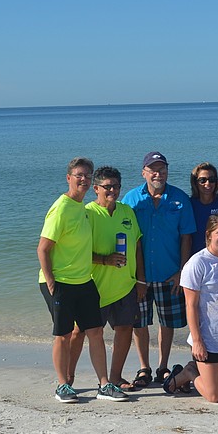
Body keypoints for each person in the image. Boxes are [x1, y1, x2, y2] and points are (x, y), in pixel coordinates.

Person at [36, 157, 127, 403]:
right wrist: (52, 282)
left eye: (87, 175)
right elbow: (43, 249)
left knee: (95, 331)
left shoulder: (82, 208)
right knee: (64, 335)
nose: (84, 179)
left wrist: (106, 260)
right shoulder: (62, 207)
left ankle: (104, 385)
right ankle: (63, 385)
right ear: (69, 178)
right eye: (79, 175)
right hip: (60, 282)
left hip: (83, 280)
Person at [121, 151, 196, 386]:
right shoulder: (131, 200)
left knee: (167, 323)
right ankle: (144, 368)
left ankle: (163, 366)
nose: (158, 173)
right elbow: (123, 237)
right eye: (152, 169)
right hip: (138, 276)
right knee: (139, 323)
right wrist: (130, 275)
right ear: (143, 172)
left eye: (162, 169)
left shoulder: (180, 199)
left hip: (169, 273)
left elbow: (186, 237)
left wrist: (182, 271)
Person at [78, 166, 145, 392]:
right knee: (80, 332)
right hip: (94, 287)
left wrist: (141, 280)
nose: (112, 191)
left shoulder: (127, 212)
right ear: (95, 188)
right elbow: (77, 250)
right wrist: (105, 260)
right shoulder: (87, 213)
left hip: (126, 285)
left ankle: (115, 378)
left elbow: (137, 245)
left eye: (116, 186)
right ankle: (67, 378)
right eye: (107, 187)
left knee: (125, 328)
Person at [164, 214, 218, 403]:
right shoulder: (197, 263)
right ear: (209, 235)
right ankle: (190, 372)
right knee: (215, 396)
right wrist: (197, 341)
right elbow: (190, 306)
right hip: (209, 338)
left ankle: (202, 372)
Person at [188, 162, 218, 256]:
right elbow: (186, 236)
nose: (208, 183)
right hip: (196, 255)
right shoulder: (189, 204)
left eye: (212, 179)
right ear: (195, 182)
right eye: (202, 180)